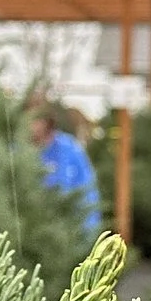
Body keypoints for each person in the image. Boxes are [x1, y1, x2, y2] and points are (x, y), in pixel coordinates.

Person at [29, 97, 101, 236]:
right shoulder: (15, 151)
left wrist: (87, 234)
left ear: (47, 121)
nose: (31, 124)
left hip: (68, 232)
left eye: (36, 118)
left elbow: (88, 192)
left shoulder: (69, 149)